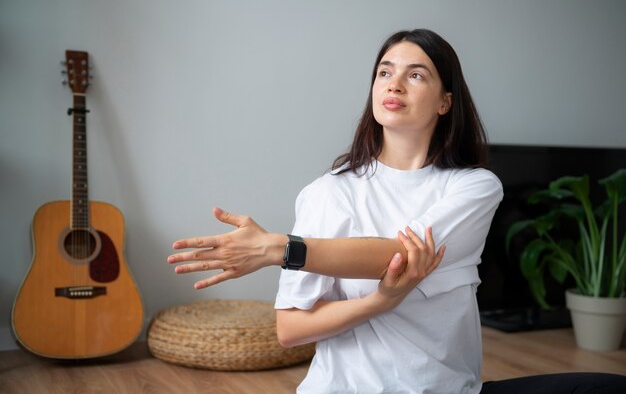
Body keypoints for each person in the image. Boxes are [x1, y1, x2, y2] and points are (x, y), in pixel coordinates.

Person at [168, 29, 626, 393]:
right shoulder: (328, 192)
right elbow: (290, 329)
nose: (394, 82)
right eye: (385, 71)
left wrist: (281, 248)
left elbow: (399, 254)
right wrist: (381, 300)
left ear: (446, 102)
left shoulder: (473, 187)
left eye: (417, 74)